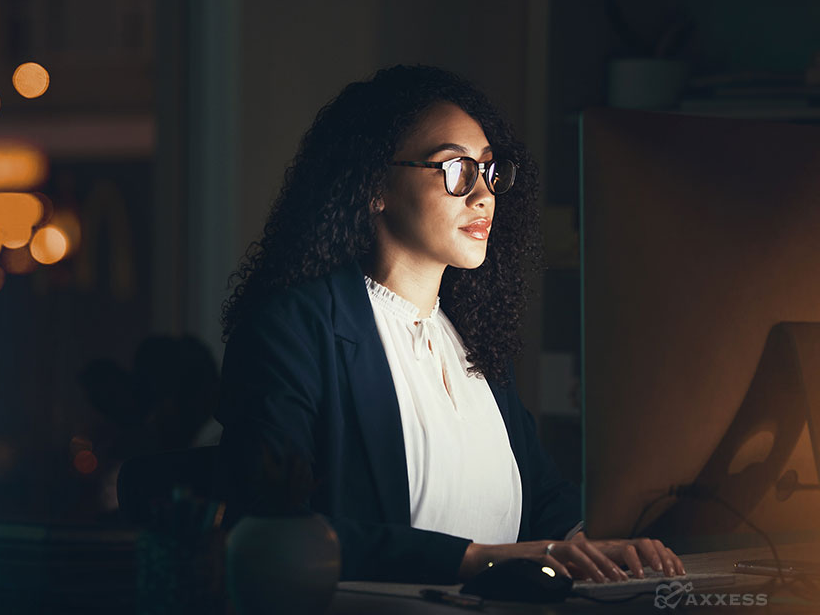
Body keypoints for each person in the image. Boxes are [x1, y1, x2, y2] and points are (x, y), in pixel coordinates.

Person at [214, 64, 685, 584]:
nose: (484, 195)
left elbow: (542, 493)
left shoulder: (470, 333)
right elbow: (274, 529)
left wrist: (592, 545)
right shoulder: (293, 331)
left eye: (489, 171)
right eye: (455, 169)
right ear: (375, 187)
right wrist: (479, 558)